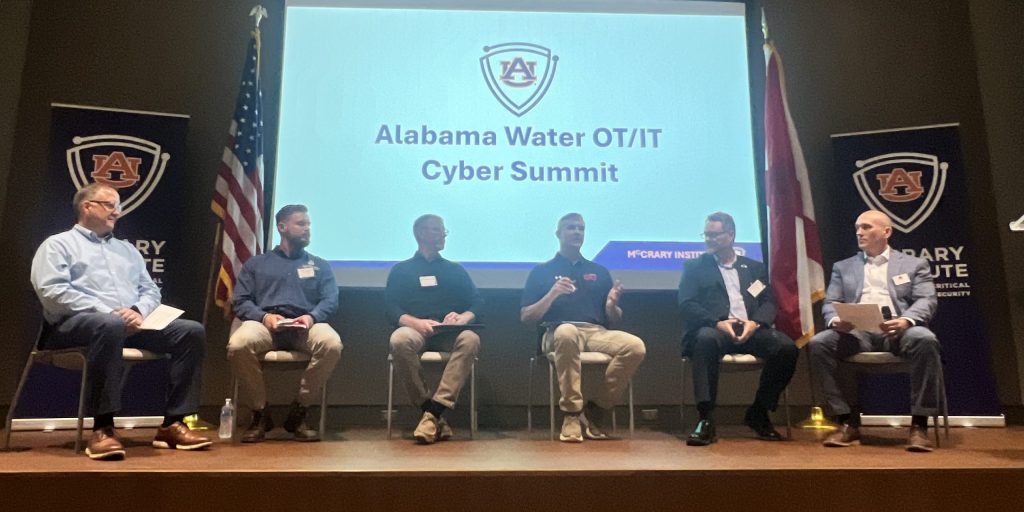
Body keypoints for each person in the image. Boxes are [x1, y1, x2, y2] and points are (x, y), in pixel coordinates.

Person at [29, 183, 211, 460]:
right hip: (71, 326)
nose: (117, 212)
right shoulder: (58, 245)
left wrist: (137, 310)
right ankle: (102, 428)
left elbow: (150, 290)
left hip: (127, 325)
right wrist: (110, 312)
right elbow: (52, 292)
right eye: (110, 205)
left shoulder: (127, 250)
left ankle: (173, 423)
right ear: (87, 206)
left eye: (118, 206)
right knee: (109, 325)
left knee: (190, 331)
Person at [808, 210, 941, 452]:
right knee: (819, 344)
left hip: (898, 329)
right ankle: (846, 420)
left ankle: (919, 425)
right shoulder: (843, 267)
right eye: (857, 228)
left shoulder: (913, 265)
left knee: (925, 339)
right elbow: (830, 302)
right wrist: (836, 320)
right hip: (857, 332)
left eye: (866, 227)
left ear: (886, 232)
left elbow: (926, 299)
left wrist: (907, 320)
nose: (859, 232)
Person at [521, 213, 646, 443]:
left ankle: (597, 408)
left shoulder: (599, 271)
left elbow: (613, 319)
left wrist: (612, 304)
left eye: (581, 228)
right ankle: (571, 414)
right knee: (567, 331)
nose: (577, 232)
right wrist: (553, 293)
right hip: (556, 332)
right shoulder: (541, 271)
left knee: (635, 346)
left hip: (595, 332)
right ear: (558, 234)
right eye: (571, 228)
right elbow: (527, 317)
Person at [677, 211, 798, 446]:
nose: (709, 239)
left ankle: (759, 412)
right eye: (706, 234)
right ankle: (706, 418)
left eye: (714, 234)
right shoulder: (694, 267)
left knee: (786, 348)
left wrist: (756, 323)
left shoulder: (753, 268)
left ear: (731, 235)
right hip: (715, 329)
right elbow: (686, 304)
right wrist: (717, 322)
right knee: (705, 340)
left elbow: (768, 302)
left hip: (750, 329)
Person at [228, 204, 342, 443]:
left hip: (305, 325)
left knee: (331, 343)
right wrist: (264, 317)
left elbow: (330, 300)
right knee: (238, 344)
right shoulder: (256, 264)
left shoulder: (320, 265)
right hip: (265, 324)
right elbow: (241, 301)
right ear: (282, 227)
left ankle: (299, 411)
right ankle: (260, 413)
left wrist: (311, 317)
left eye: (308, 224)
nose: (307, 229)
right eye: (301, 224)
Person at [385, 214, 481, 444]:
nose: (443, 235)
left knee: (471, 339)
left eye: (443, 230)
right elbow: (391, 307)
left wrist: (462, 318)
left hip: (449, 332)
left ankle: (434, 411)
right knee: (399, 340)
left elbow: (478, 303)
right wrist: (415, 323)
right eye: (437, 230)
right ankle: (432, 412)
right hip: (415, 329)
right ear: (421, 233)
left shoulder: (455, 270)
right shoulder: (401, 270)